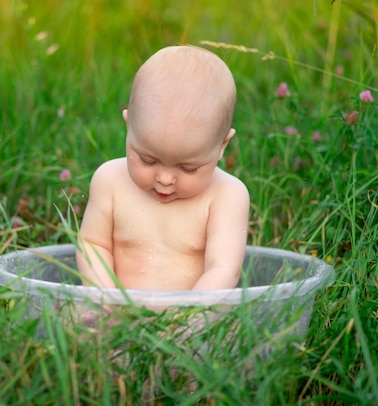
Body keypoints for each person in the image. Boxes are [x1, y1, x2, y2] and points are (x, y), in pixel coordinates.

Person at [77, 45, 249, 292]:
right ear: (129, 127)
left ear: (222, 146)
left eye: (189, 168)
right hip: (117, 315)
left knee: (234, 328)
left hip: (194, 319)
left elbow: (223, 269)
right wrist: (106, 300)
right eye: (147, 159)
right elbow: (93, 244)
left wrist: (188, 319)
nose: (165, 178)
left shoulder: (226, 196)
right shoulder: (110, 181)